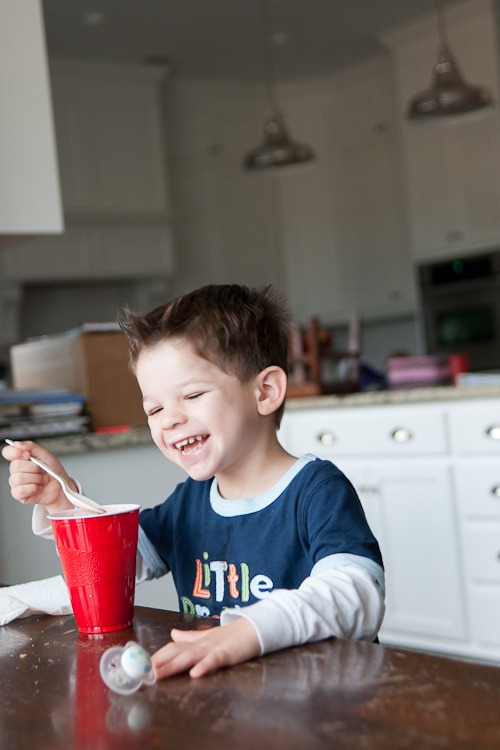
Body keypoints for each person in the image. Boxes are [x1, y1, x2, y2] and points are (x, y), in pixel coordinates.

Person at [2, 283, 384, 679]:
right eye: (154, 408)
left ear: (266, 391)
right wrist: (63, 502)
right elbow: (112, 567)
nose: (169, 419)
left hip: (320, 703)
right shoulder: (189, 503)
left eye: (192, 395)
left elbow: (358, 593)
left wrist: (247, 632)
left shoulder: (316, 490)